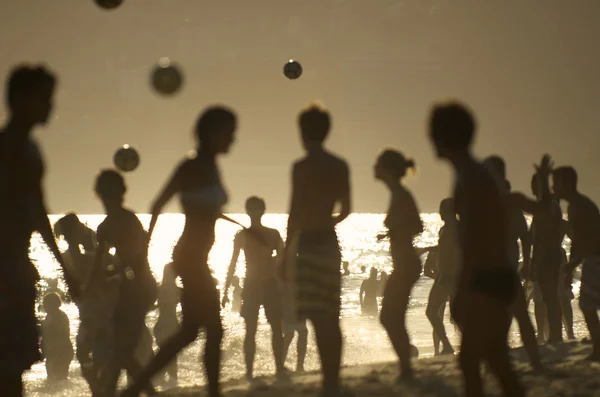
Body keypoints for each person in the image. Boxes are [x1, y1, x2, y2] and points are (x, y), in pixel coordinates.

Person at [123, 106, 237, 397]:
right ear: (211, 133)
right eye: (228, 131)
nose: (233, 138)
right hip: (190, 257)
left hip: (197, 256)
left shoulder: (210, 166)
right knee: (213, 329)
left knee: (190, 332)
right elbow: (158, 203)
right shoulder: (192, 166)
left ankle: (135, 388)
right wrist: (143, 251)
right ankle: (212, 392)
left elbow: (206, 208)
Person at [428, 101, 524, 397]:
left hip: (488, 277)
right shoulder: (473, 173)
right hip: (496, 274)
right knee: (496, 362)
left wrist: (464, 286)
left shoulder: (470, 177)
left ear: (444, 137)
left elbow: (475, 238)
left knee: (471, 361)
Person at [0, 65, 79, 397]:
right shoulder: (8, 149)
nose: (51, 106)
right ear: (20, 100)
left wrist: (64, 265)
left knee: (13, 362)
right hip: (6, 268)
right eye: (44, 98)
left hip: (17, 267)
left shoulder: (31, 150)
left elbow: (39, 214)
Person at [284, 102, 351, 396]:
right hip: (327, 239)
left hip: (309, 243)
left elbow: (294, 212)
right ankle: (331, 379)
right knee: (329, 314)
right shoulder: (339, 165)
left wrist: (286, 252)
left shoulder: (300, 167)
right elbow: (346, 209)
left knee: (314, 312)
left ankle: (330, 379)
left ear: (302, 132)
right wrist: (327, 220)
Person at [91, 170, 158, 396]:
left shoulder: (128, 221)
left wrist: (108, 273)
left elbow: (136, 260)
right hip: (131, 289)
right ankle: (132, 390)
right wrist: (93, 282)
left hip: (140, 289)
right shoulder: (107, 226)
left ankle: (141, 390)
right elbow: (98, 265)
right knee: (121, 351)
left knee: (123, 350)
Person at [484, 156, 542, 369]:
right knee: (502, 318)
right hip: (491, 269)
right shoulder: (486, 202)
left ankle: (533, 362)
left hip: (504, 269)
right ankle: (510, 360)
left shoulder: (510, 202)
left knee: (515, 316)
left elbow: (527, 236)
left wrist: (526, 263)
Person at [222, 196, 286, 380]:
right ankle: (249, 372)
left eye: (257, 208)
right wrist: (225, 291)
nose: (255, 212)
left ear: (262, 211)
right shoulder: (241, 236)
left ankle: (279, 368)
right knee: (250, 330)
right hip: (251, 285)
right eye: (252, 209)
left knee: (276, 327)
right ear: (248, 211)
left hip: (269, 283)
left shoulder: (273, 234)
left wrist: (284, 286)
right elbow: (233, 263)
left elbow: (282, 261)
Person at [374, 149, 423, 381]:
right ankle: (406, 367)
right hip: (403, 263)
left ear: (389, 170)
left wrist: (397, 228)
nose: (374, 167)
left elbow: (417, 225)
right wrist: (391, 232)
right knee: (391, 317)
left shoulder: (402, 194)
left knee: (390, 316)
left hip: (407, 264)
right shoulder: (397, 194)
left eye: (379, 164)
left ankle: (407, 368)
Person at [552, 165, 600, 361]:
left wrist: (575, 261)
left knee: (587, 304)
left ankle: (598, 350)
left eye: (556, 183)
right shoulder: (576, 206)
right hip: (592, 258)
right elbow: (578, 239)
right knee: (588, 304)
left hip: (596, 258)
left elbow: (590, 237)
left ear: (567, 184)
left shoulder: (580, 206)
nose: (554, 187)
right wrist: (574, 262)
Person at [512, 169, 564, 344]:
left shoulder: (549, 207)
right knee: (547, 298)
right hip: (543, 256)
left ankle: (556, 334)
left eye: (535, 186)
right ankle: (553, 334)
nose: (532, 190)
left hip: (548, 256)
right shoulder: (544, 209)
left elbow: (545, 235)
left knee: (550, 297)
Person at [426, 198, 459, 356]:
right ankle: (447, 345)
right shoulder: (444, 229)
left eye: (443, 210)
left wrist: (424, 249)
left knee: (455, 315)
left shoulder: (456, 229)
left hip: (451, 275)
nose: (440, 213)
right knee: (432, 312)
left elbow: (449, 248)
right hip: (443, 275)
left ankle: (450, 346)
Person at [153, 262, 181, 387]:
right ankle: (171, 380)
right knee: (171, 353)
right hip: (171, 323)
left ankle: (161, 378)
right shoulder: (178, 290)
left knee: (165, 352)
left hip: (160, 324)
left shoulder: (158, 289)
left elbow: (149, 305)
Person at [41, 292, 74, 381]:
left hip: (61, 352)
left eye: (45, 304)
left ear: (53, 304)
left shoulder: (60, 316)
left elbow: (62, 335)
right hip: (54, 353)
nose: (43, 306)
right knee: (54, 381)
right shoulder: (50, 316)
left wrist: (56, 353)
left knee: (58, 380)